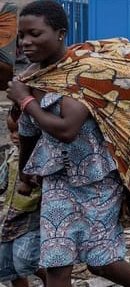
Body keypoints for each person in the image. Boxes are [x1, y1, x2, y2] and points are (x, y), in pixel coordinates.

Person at [6, 0, 130, 287]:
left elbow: (67, 129)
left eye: (35, 34)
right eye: (22, 36)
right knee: (56, 262)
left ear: (60, 33)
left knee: (101, 261)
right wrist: (26, 175)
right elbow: (29, 132)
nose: (26, 42)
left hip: (98, 180)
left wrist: (24, 100)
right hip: (57, 181)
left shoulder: (80, 74)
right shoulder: (33, 77)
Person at [0, 107, 46, 287]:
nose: (14, 136)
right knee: (7, 265)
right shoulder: (11, 154)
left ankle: (54, 281)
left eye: (18, 130)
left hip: (31, 216)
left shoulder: (40, 155)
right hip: (10, 216)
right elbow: (2, 181)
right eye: (11, 131)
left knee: (27, 259)